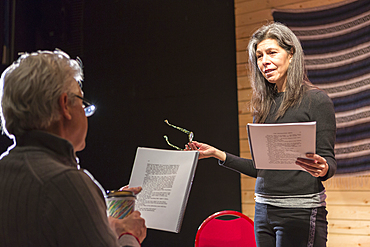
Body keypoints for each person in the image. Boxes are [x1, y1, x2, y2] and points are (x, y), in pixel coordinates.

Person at [186, 22, 336, 247]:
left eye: (272, 53)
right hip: (263, 212)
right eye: (259, 56)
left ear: (291, 54)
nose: (264, 61)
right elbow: (262, 168)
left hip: (299, 213)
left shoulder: (316, 101)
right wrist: (217, 154)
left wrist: (323, 167)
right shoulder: (263, 107)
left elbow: (329, 163)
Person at [0, 50, 146, 246]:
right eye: (82, 101)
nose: (85, 114)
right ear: (65, 105)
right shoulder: (67, 184)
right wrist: (129, 235)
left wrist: (99, 213)